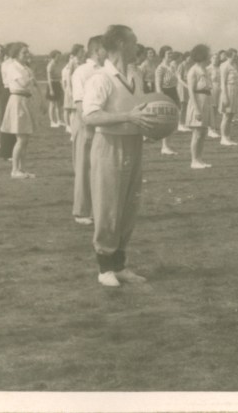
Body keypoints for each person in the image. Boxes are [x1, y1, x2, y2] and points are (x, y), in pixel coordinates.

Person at [82, 25, 164, 287]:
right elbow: (91, 116)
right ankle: (104, 267)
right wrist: (128, 117)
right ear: (119, 44)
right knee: (108, 206)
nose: (137, 46)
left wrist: (151, 126)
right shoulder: (100, 78)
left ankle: (119, 264)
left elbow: (140, 110)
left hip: (133, 143)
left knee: (129, 207)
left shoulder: (136, 76)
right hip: (109, 145)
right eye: (133, 42)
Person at [70, 35, 107, 225]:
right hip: (87, 125)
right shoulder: (82, 71)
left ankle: (97, 209)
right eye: (105, 49)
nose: (108, 52)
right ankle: (81, 211)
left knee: (100, 169)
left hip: (104, 124)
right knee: (84, 168)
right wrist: (89, 127)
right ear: (96, 51)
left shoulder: (107, 70)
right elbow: (79, 103)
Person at [0, 42, 41, 178]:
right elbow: (23, 83)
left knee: (25, 138)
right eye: (24, 52)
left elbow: (32, 84)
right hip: (17, 100)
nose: (27, 55)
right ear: (16, 54)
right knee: (21, 139)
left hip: (25, 100)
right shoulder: (13, 67)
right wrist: (31, 77)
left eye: (27, 52)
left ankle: (22, 169)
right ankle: (14, 170)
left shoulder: (24, 68)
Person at [186, 44, 214, 169]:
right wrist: (197, 109)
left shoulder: (206, 70)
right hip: (197, 101)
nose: (210, 55)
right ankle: (194, 160)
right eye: (208, 53)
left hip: (206, 100)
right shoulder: (193, 70)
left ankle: (200, 159)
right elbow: (191, 91)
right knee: (197, 133)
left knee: (203, 132)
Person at [155, 48, 181, 156]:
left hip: (174, 93)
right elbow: (158, 86)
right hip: (165, 93)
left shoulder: (172, 67)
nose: (170, 55)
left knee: (174, 120)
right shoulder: (160, 68)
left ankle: (168, 145)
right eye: (168, 53)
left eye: (171, 53)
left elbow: (176, 81)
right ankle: (164, 146)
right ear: (162, 55)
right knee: (166, 120)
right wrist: (162, 99)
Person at [219, 48, 238, 146]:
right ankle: (223, 138)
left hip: (234, 90)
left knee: (231, 115)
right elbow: (223, 82)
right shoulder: (224, 66)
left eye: (236, 55)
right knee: (226, 116)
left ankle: (228, 137)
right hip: (228, 90)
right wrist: (225, 96)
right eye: (234, 55)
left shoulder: (234, 65)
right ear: (229, 56)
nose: (235, 57)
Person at [62, 45, 84, 134]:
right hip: (72, 88)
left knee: (76, 110)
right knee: (72, 110)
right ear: (77, 52)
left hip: (78, 87)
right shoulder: (72, 61)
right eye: (82, 51)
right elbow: (68, 76)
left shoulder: (81, 61)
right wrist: (70, 90)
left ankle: (75, 128)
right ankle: (70, 128)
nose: (83, 52)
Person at [45, 50, 64, 128]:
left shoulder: (58, 64)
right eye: (58, 56)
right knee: (52, 104)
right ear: (54, 56)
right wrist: (51, 89)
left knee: (58, 104)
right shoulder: (50, 65)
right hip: (52, 84)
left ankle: (59, 120)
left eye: (60, 56)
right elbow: (49, 78)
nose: (59, 58)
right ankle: (52, 121)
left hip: (58, 84)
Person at [208, 51, 224, 140]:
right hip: (211, 89)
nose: (215, 60)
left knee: (217, 110)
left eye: (217, 58)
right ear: (210, 59)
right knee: (211, 109)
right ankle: (210, 129)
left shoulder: (219, 68)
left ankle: (213, 127)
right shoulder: (208, 69)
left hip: (219, 89)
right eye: (213, 58)